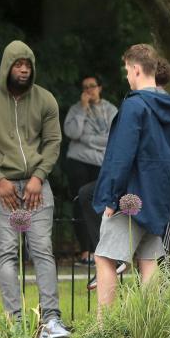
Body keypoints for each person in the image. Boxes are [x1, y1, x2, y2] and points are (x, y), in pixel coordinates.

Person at [0, 41, 69, 338]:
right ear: (6, 66)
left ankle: (50, 320)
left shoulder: (45, 99)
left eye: (28, 64)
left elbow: (53, 142)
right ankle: (16, 322)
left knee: (42, 251)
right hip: (3, 187)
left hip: (37, 185)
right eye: (17, 64)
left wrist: (39, 177)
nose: (24, 69)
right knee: (8, 253)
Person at [93, 45, 170, 307]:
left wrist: (111, 198)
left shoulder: (134, 106)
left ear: (135, 69)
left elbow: (121, 156)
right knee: (148, 262)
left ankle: (104, 330)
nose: (126, 76)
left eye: (127, 70)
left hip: (130, 197)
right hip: (158, 197)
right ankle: (149, 328)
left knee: (105, 258)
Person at [64, 74, 118, 265]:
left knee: (101, 204)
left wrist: (88, 140)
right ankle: (85, 250)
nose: (89, 90)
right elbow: (73, 133)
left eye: (92, 86)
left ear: (100, 88)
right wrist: (83, 110)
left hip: (101, 163)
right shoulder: (76, 110)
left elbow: (113, 136)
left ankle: (101, 249)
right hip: (78, 162)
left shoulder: (111, 110)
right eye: (85, 87)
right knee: (80, 203)